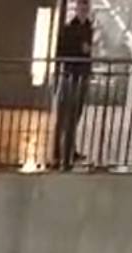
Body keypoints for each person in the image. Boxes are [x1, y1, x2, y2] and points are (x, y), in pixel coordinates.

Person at [56, 0, 94, 170]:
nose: (85, 11)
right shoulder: (70, 29)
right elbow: (62, 51)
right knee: (68, 116)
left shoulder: (88, 28)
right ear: (78, 8)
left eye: (86, 8)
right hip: (73, 76)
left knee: (74, 115)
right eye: (82, 8)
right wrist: (81, 49)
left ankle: (68, 149)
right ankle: (64, 151)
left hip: (80, 76)